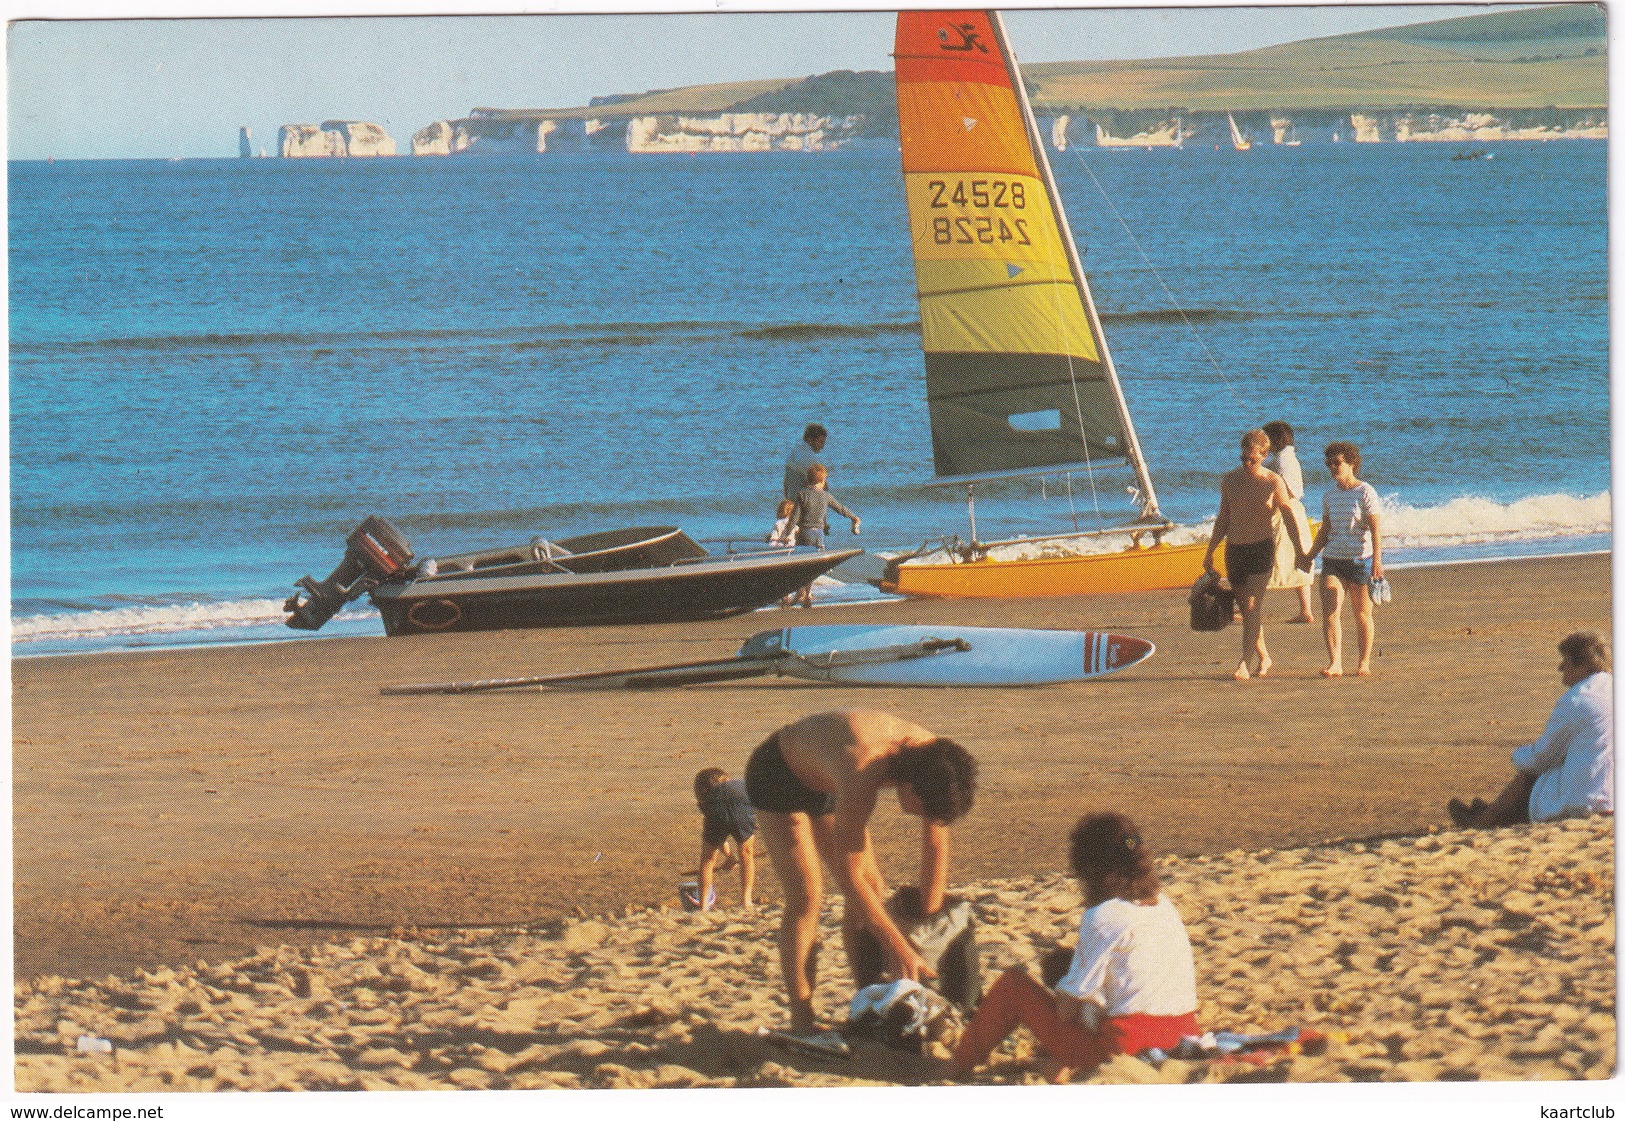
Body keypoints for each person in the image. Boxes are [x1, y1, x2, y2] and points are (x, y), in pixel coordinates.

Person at [744, 710, 978, 1035]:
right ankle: (802, 1022)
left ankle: (868, 996)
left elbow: (935, 846)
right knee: (807, 897)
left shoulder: (937, 760)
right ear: (909, 785)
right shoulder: (863, 769)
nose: (920, 817)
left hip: (827, 776)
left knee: (873, 888)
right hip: (778, 773)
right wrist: (897, 946)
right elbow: (847, 875)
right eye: (921, 809)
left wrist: (930, 925)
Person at [949, 813, 1199, 1083]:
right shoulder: (1163, 905)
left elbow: (1067, 1009)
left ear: (1088, 869)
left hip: (1126, 1048)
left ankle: (956, 1066)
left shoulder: (1103, 916)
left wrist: (1060, 986)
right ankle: (1059, 1063)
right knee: (1095, 994)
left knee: (1014, 987)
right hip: (1183, 1036)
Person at [1448, 632, 1613, 828]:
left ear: (1583, 664)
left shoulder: (1578, 699)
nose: (1560, 668)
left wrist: (1516, 756)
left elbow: (1542, 758)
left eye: (1565, 661)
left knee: (1528, 776)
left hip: (1590, 799)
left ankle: (1483, 820)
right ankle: (1491, 811)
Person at [1202, 429, 1308, 680]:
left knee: (1251, 606)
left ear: (1264, 455)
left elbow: (1288, 516)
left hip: (1261, 549)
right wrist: (1210, 552)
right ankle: (1264, 656)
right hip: (1235, 550)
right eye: (1244, 459)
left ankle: (1243, 663)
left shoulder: (1273, 482)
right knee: (1247, 608)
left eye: (1253, 459)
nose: (1247, 463)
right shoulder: (1230, 480)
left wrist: (1300, 551)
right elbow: (1223, 518)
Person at [1299, 441, 1383, 677]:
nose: (1333, 467)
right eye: (1329, 464)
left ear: (1351, 463)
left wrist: (1377, 561)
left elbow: (1376, 528)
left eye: (1337, 463)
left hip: (1360, 560)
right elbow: (1325, 530)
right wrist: (1310, 556)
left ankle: (1363, 662)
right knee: (1330, 612)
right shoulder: (1329, 495)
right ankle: (1335, 662)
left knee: (1362, 614)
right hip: (1333, 560)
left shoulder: (1366, 491)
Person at [1262, 420, 1315, 624]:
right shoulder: (1288, 458)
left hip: (1285, 511)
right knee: (1296, 559)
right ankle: (1305, 610)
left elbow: (1284, 489)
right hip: (1295, 509)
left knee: (1270, 558)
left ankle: (1249, 606)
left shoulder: (1281, 461)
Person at [787, 463, 860, 607]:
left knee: (802, 565)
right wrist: (854, 517)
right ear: (822, 480)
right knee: (814, 567)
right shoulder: (826, 496)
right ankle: (808, 593)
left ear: (808, 480)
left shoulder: (802, 494)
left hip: (805, 534)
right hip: (819, 535)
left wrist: (786, 534)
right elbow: (841, 508)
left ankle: (801, 592)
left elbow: (794, 518)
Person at [693, 767, 757, 911]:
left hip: (718, 813)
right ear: (726, 780)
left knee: (708, 859)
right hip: (742, 810)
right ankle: (746, 901)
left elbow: (719, 833)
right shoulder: (740, 786)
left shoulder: (706, 796)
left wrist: (729, 856)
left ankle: (703, 905)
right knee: (747, 853)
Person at [783, 423, 828, 501]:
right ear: (810, 439)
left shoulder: (793, 453)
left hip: (791, 501)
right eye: (820, 442)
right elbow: (822, 486)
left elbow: (786, 483)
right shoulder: (810, 457)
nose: (822, 446)